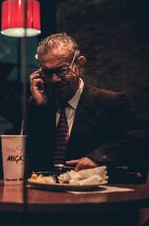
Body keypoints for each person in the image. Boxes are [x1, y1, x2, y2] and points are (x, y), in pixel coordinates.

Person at [26, 32, 149, 182]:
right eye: (47, 73)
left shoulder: (110, 101)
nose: (54, 80)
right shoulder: (41, 105)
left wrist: (97, 158)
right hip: (46, 194)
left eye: (62, 70)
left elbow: (140, 136)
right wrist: (39, 108)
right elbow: (28, 153)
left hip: (94, 196)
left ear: (80, 64)